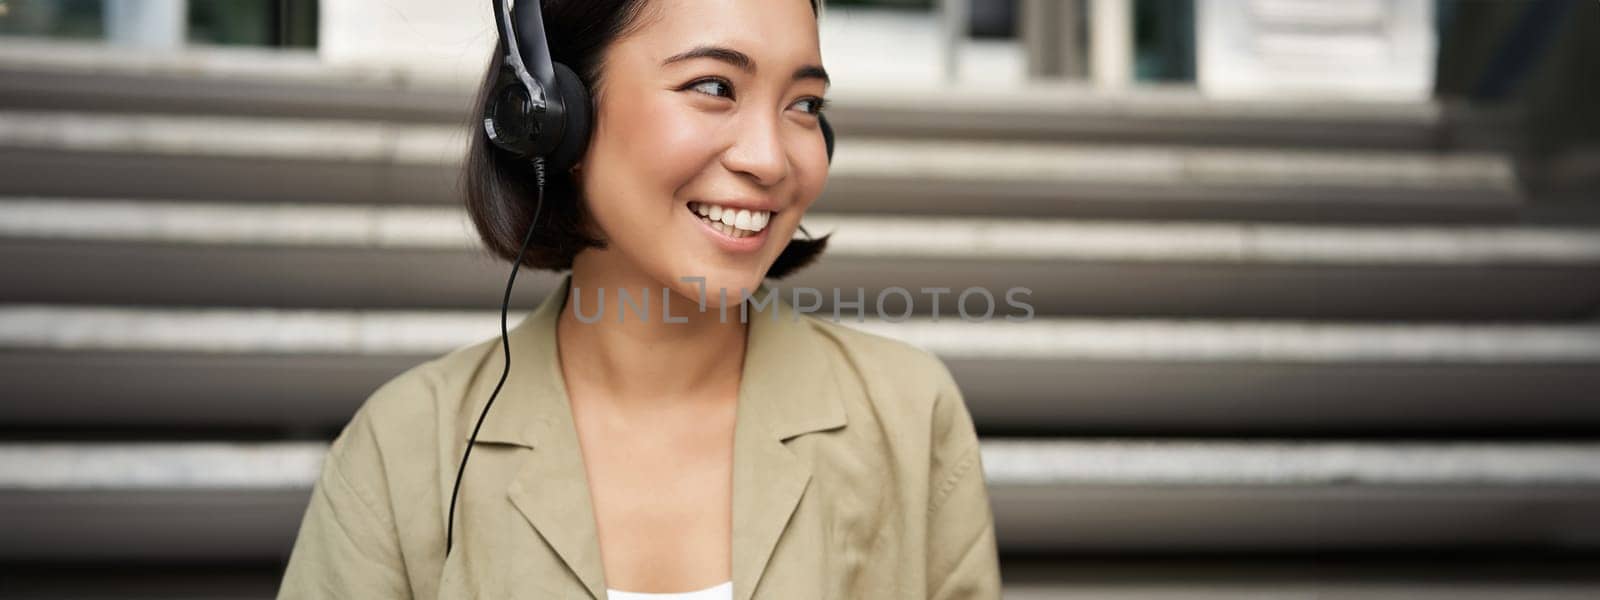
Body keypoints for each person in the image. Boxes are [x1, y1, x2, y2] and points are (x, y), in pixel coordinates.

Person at [277, 0, 1001, 598]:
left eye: (805, 104)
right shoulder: (402, 452)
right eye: (714, 87)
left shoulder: (909, 417)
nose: (773, 159)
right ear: (553, 115)